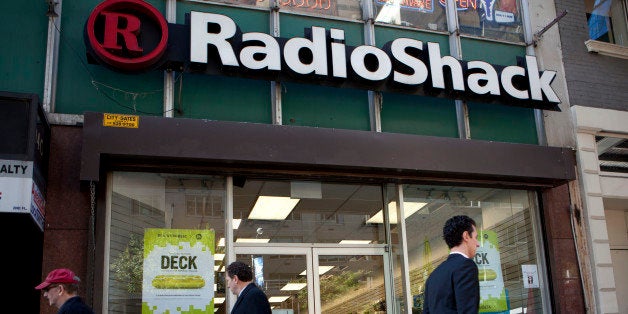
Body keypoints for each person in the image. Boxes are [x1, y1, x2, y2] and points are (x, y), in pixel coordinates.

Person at [423, 215, 480, 314]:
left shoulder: (433, 276)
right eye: (475, 237)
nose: (478, 243)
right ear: (466, 236)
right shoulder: (466, 266)